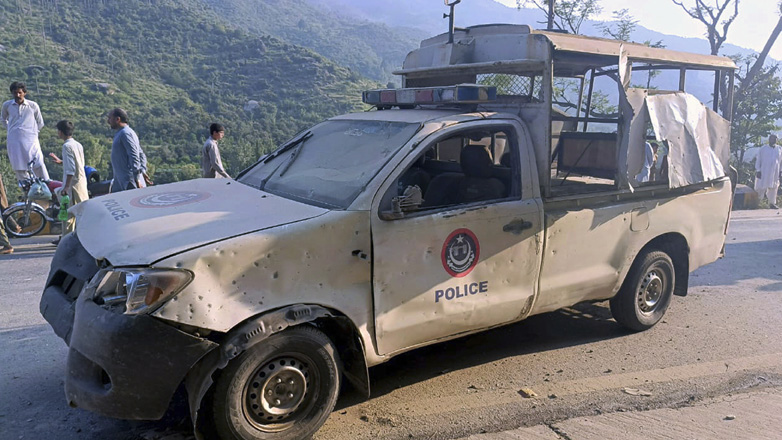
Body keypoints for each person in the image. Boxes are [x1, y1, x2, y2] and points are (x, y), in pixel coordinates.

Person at [1, 81, 49, 181]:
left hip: (31, 141)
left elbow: (40, 123)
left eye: (20, 93)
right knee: (19, 167)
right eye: (15, 93)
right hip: (14, 141)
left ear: (24, 93)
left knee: (38, 164)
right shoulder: (7, 105)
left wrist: (33, 133)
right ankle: (28, 192)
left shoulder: (33, 105)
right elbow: (3, 120)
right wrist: (11, 130)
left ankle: (47, 189)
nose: (17, 95)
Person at [48, 120, 89, 238]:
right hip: (81, 182)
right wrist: (61, 162)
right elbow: (78, 164)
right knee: (82, 213)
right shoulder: (77, 144)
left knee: (68, 215)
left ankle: (67, 240)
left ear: (60, 132)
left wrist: (66, 187)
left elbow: (71, 169)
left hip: (72, 185)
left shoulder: (66, 146)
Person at [106, 108, 143, 192]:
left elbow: (135, 155)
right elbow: (141, 154)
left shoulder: (125, 133)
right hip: (121, 182)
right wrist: (142, 171)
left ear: (117, 119)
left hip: (128, 182)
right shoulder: (122, 133)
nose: (108, 121)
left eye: (110, 118)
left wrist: (137, 178)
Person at [754, 134, 782, 209]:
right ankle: (758, 203)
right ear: (769, 139)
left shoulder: (779, 149)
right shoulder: (763, 149)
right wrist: (758, 170)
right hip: (764, 171)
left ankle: (772, 203)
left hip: (775, 172)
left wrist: (780, 171)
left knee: (774, 187)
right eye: (771, 138)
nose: (772, 140)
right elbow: (758, 160)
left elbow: (780, 162)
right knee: (760, 187)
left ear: (777, 140)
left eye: (774, 139)